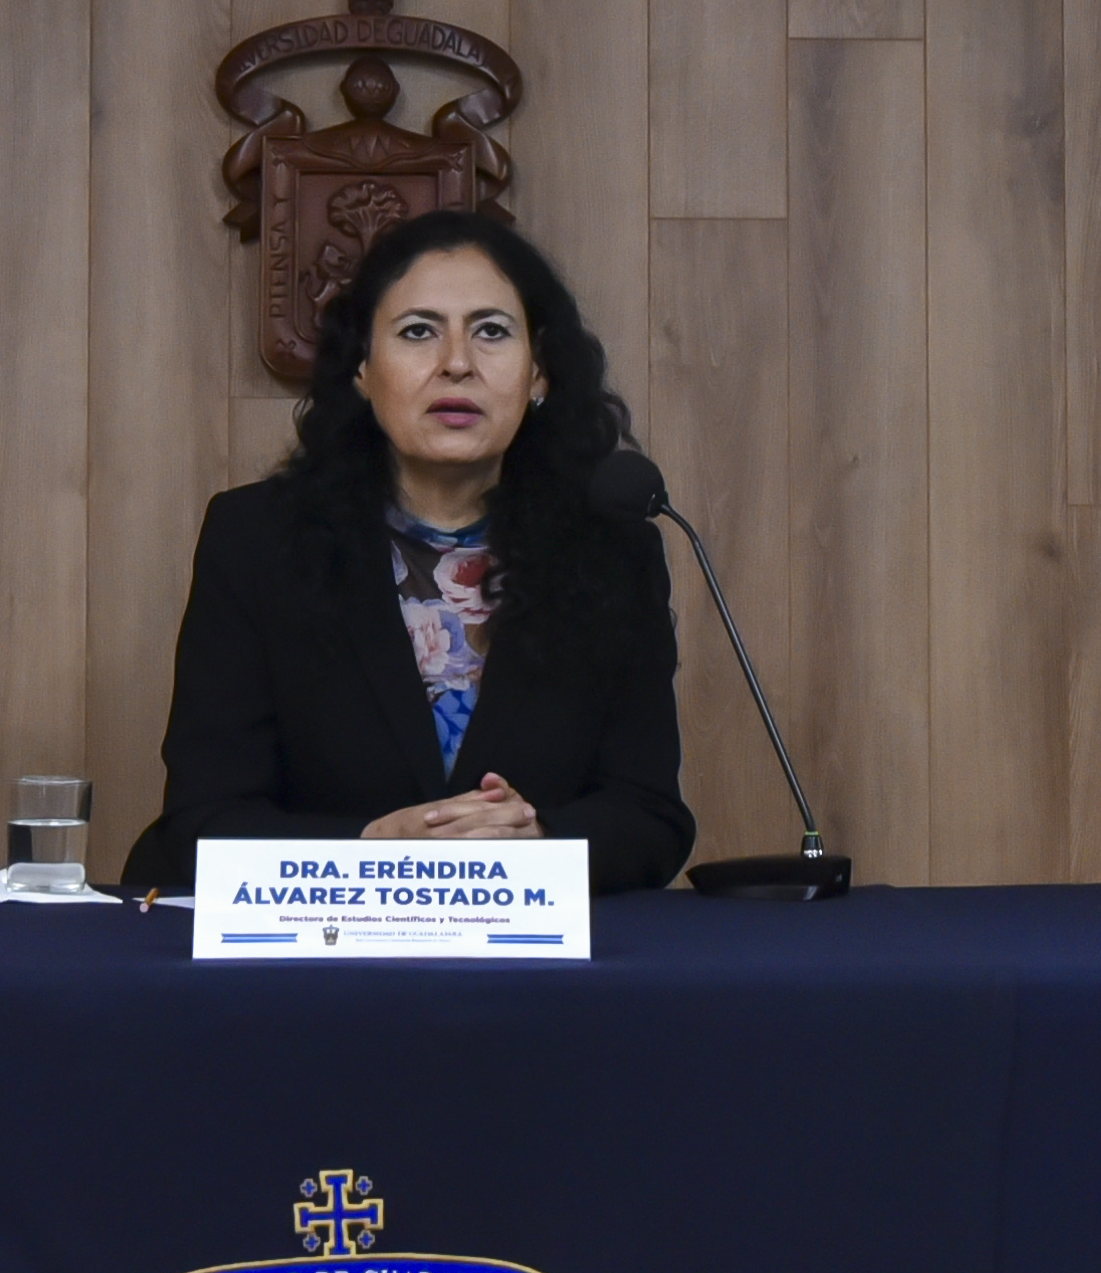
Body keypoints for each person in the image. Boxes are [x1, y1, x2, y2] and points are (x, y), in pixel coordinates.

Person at [125, 209, 693, 896]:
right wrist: (372, 848)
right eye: (419, 331)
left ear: (539, 372)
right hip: (318, 945)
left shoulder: (613, 549)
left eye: (491, 331)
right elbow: (204, 821)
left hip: (531, 948)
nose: (457, 362)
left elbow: (650, 814)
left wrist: (537, 843)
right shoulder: (256, 539)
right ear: (363, 369)